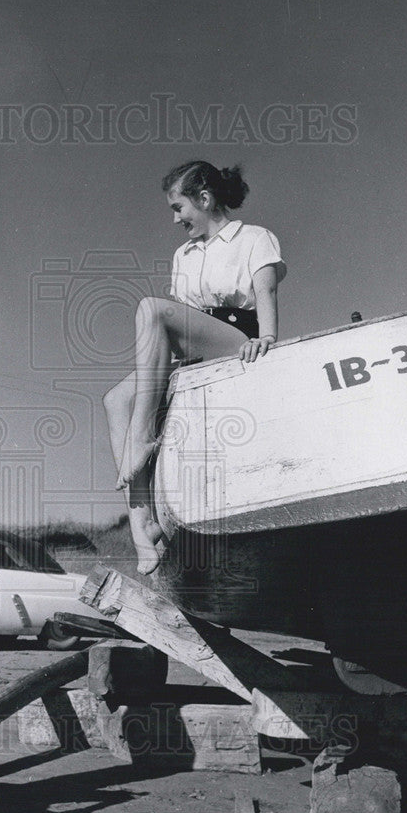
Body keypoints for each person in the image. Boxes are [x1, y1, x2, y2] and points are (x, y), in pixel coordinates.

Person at [103, 160, 287, 574]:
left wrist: (269, 338)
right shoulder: (182, 255)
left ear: (204, 199)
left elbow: (266, 292)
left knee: (151, 308)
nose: (175, 219)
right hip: (192, 352)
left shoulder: (254, 238)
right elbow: (180, 322)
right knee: (115, 399)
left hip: (238, 340)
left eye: (178, 207)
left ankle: (142, 438)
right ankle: (142, 523)